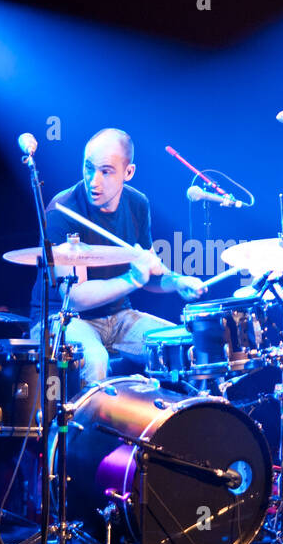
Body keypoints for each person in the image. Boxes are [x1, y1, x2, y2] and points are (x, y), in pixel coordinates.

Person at [29, 127, 205, 385]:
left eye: (106, 171)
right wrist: (133, 279)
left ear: (128, 172)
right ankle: (85, 426)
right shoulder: (63, 210)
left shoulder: (137, 204)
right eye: (89, 168)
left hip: (120, 317)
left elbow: (150, 273)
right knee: (94, 358)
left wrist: (177, 281)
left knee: (185, 348)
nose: (93, 180)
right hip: (63, 319)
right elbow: (76, 297)